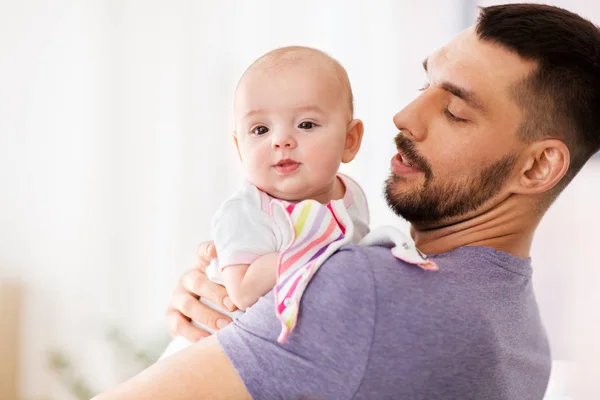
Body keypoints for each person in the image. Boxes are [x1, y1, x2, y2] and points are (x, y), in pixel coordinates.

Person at [94, 3, 600, 399]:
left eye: (453, 110)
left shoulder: (357, 288)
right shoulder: (525, 341)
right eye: (424, 84)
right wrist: (232, 323)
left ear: (538, 166)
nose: (404, 116)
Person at [160, 45, 375, 358]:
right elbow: (242, 291)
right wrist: (314, 255)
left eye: (306, 124)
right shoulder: (247, 211)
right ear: (240, 148)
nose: (280, 140)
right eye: (260, 129)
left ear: (350, 140)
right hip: (204, 350)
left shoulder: (351, 194)